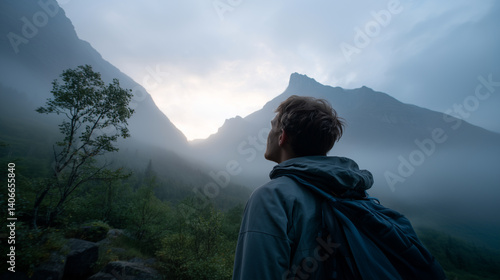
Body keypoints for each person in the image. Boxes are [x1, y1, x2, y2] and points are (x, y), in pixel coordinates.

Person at [232, 95, 443, 279]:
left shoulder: (271, 198)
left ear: (282, 137)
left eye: (272, 127)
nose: (267, 135)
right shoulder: (355, 194)